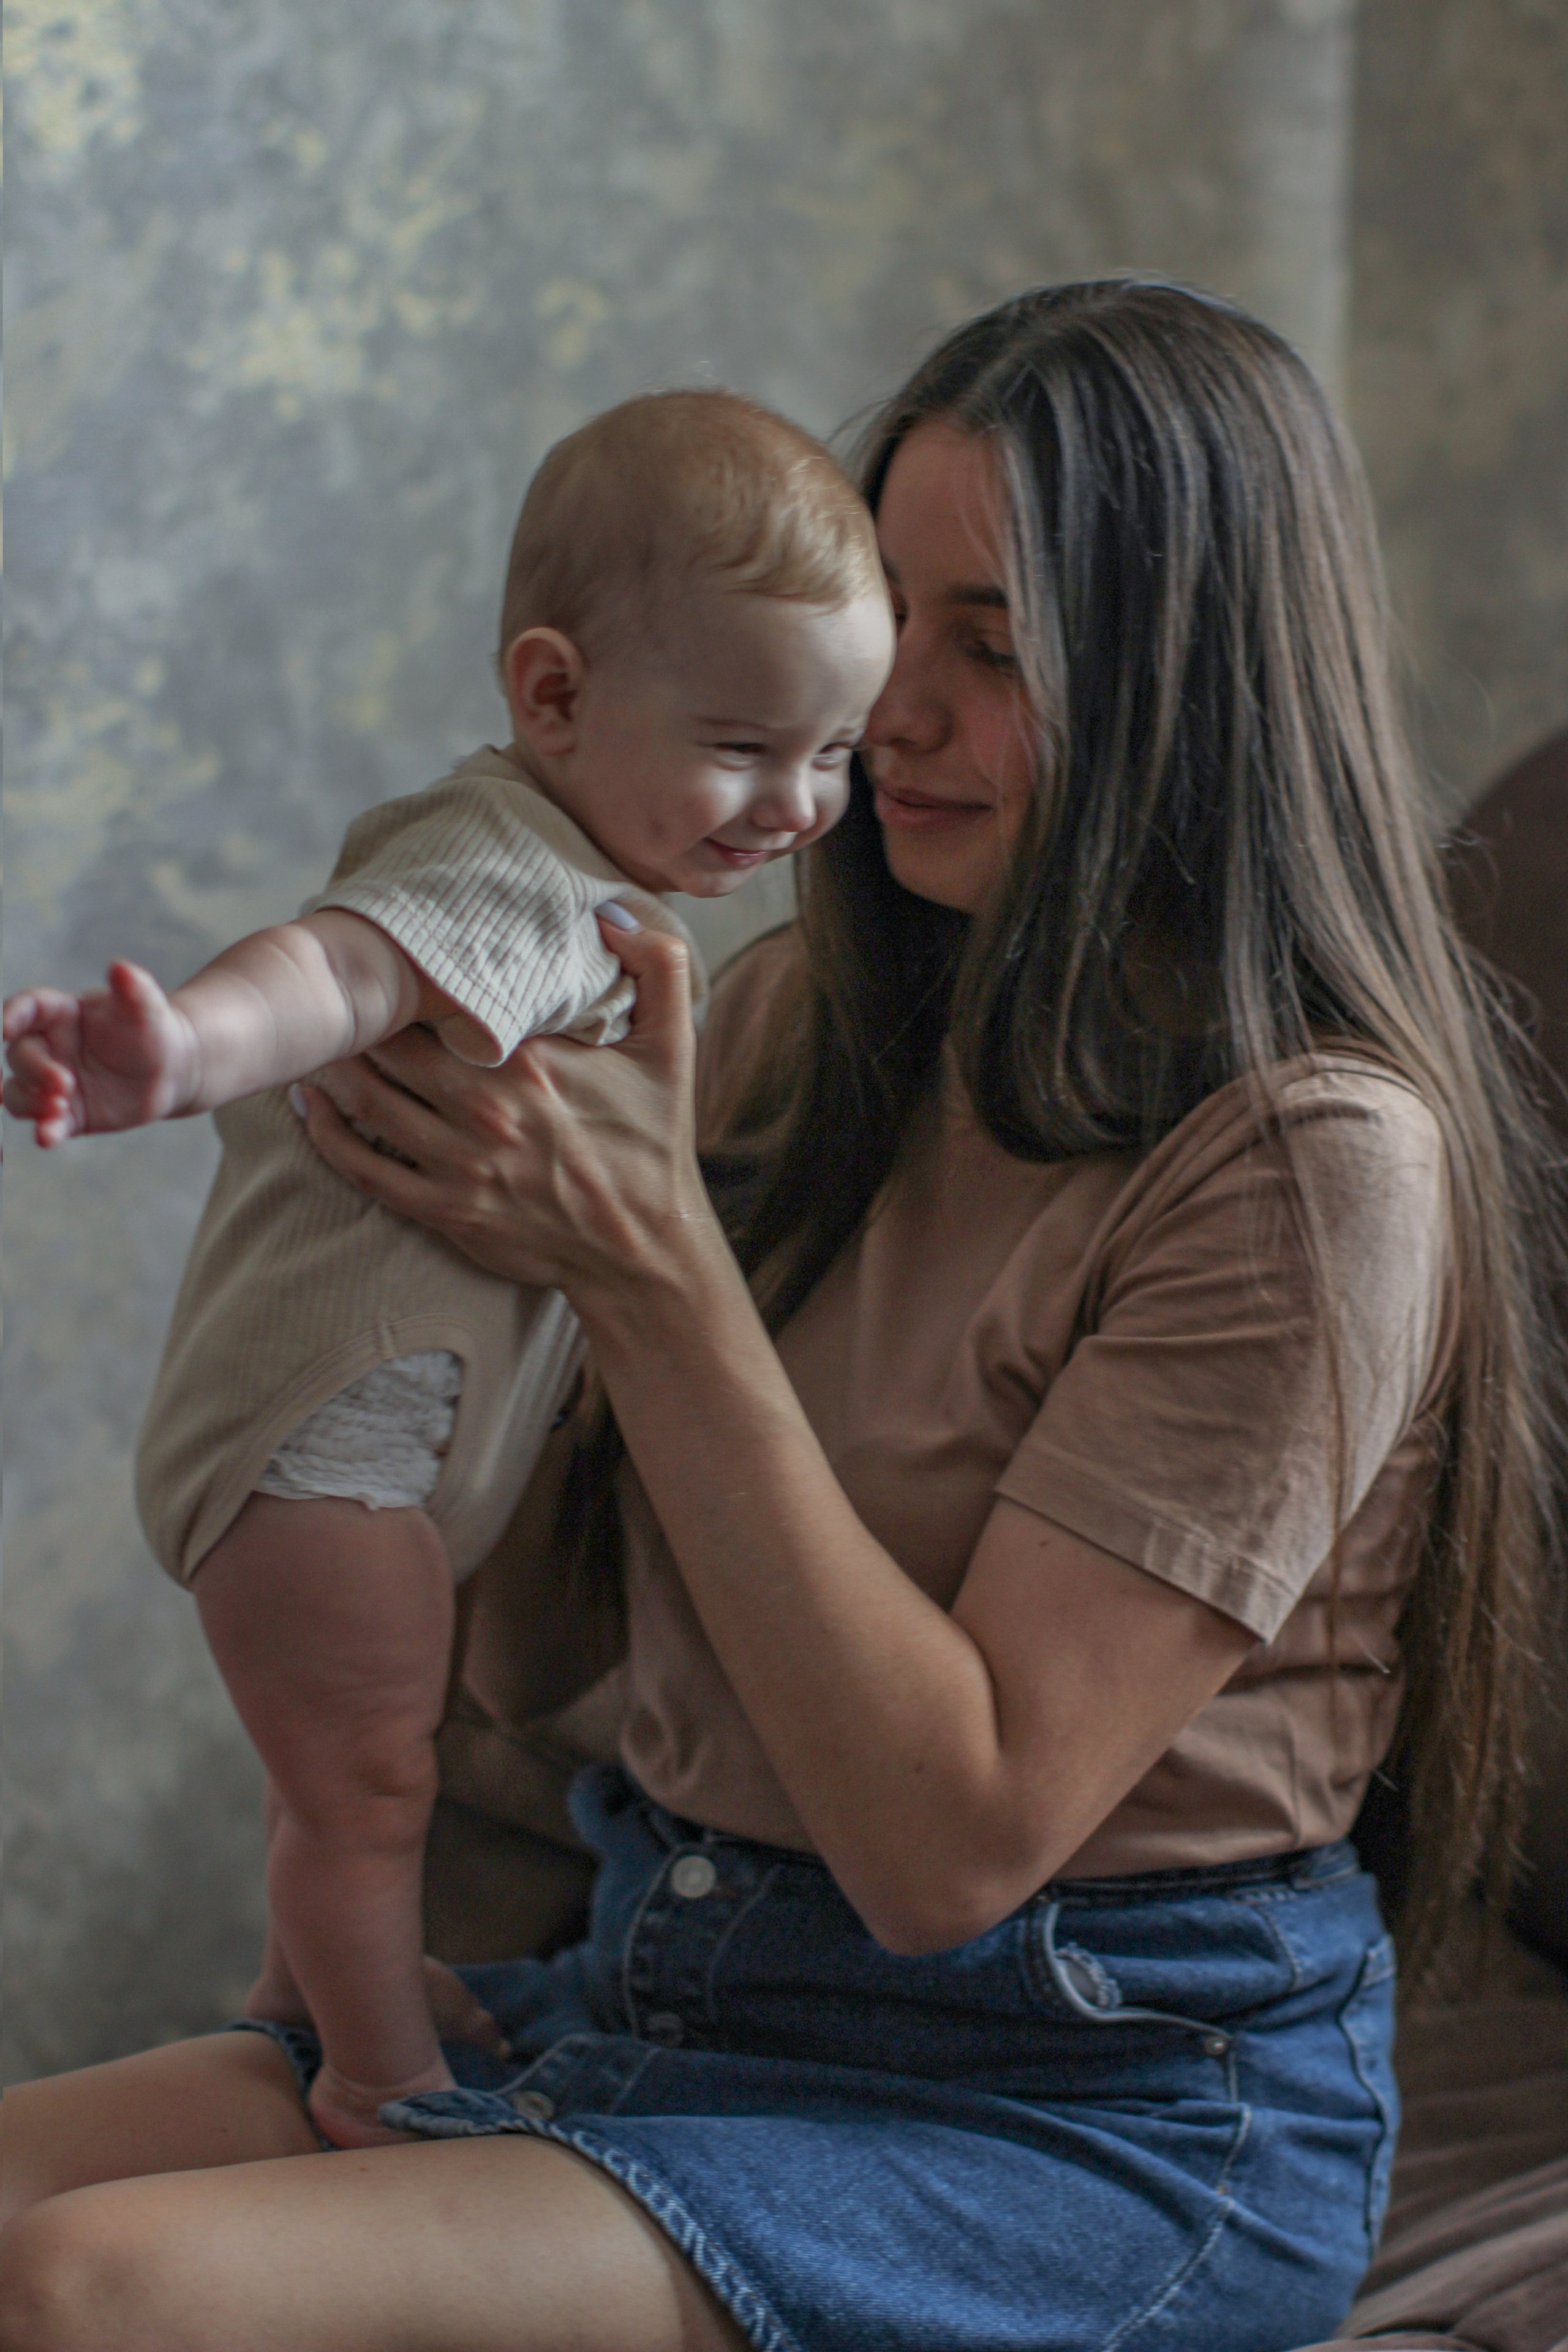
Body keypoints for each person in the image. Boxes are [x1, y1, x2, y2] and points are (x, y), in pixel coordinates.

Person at [2, 280, 1562, 2352]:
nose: (890, 714)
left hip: (1085, 2109)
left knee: (92, 2292)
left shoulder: (1312, 1166)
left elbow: (950, 1851)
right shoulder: (791, 1024)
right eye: (892, 622)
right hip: (675, 1976)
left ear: (1188, 688)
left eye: (991, 646)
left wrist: (648, 1275)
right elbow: (546, 1662)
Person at [0, 390, 895, 2150]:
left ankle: (304, 2009)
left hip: (381, 1455)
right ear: (552, 695)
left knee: (344, 1788)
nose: (798, 805)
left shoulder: (601, 893)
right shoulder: (509, 867)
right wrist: (182, 1052)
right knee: (366, 1790)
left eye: (836, 753)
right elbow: (338, 970)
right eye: (743, 746)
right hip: (318, 1450)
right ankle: (379, 2083)